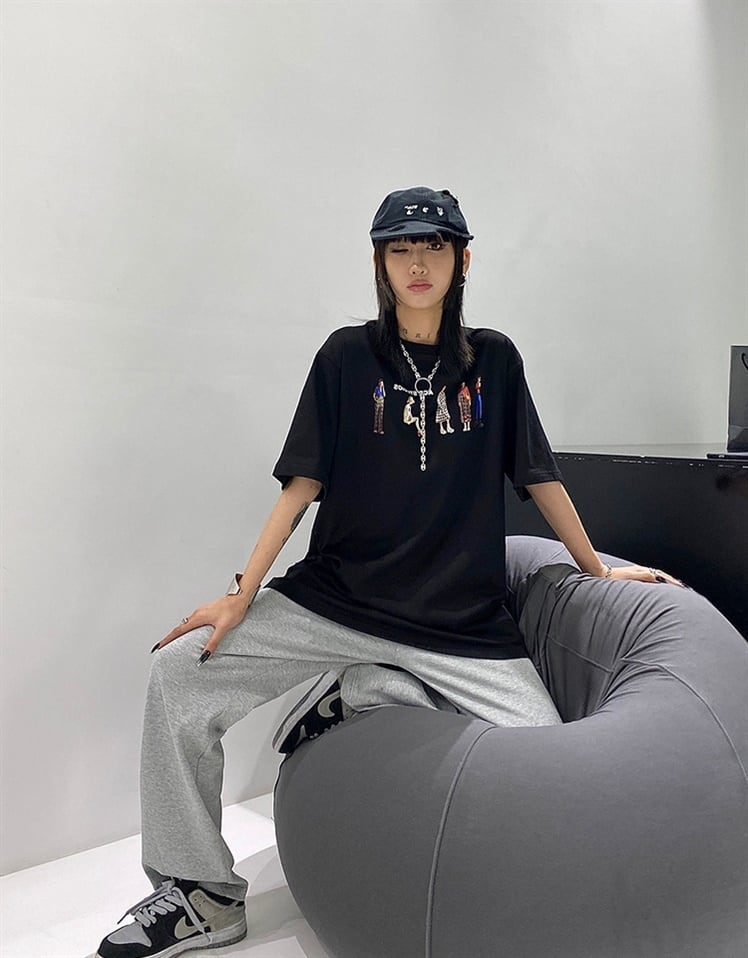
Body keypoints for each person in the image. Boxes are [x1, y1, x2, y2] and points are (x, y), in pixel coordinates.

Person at [95, 186, 684, 958]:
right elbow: (301, 486)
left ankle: (372, 688)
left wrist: (597, 568)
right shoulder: (345, 357)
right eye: (400, 248)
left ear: (463, 260)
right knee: (179, 674)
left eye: (434, 247)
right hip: (337, 600)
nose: (417, 263)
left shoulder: (495, 362)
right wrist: (240, 596)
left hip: (458, 621)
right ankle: (201, 892)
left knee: (548, 769)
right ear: (379, 262)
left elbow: (539, 476)